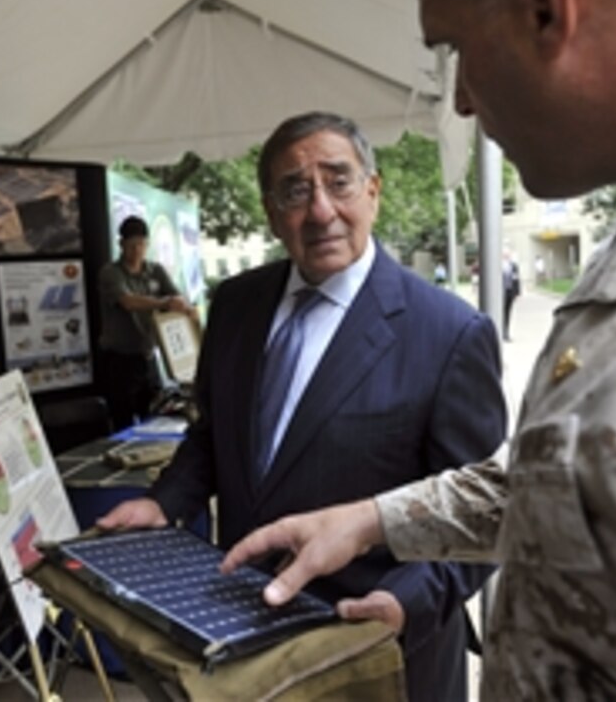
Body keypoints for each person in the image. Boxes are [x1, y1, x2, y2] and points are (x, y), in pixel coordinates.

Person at [222, 0, 616, 700]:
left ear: (544, 7)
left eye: (457, 50)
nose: (463, 100)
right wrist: (373, 519)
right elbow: (583, 480)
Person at [98, 112, 508, 702]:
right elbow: (214, 439)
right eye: (295, 190)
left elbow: (480, 512)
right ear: (270, 210)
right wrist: (164, 503)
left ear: (373, 189)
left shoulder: (449, 333)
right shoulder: (235, 305)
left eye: (338, 181)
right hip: (244, 641)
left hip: (378, 656)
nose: (320, 210)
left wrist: (402, 601)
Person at [97, 215, 196, 431]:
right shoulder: (111, 273)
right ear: (121, 244)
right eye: (132, 245)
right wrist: (164, 301)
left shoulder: (155, 270)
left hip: (148, 356)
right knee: (123, 421)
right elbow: (128, 302)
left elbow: (178, 298)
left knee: (153, 418)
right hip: (119, 359)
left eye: (141, 244)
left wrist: (186, 308)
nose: (137, 251)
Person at [501, 249, 520, 341]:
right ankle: (501, 331)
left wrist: (517, 292)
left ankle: (506, 332)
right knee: (501, 312)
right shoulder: (498, 265)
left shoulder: (513, 266)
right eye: (505, 254)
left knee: (507, 312)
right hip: (501, 293)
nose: (507, 255)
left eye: (508, 254)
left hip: (510, 292)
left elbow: (516, 279)